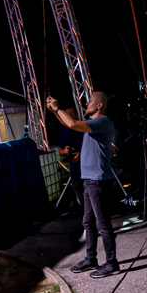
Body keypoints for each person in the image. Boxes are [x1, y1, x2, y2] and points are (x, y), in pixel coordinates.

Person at [46, 92, 119, 278]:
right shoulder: (92, 124)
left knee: (103, 223)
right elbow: (68, 124)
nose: (87, 104)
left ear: (99, 105)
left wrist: (57, 108)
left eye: (90, 101)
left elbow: (72, 124)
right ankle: (91, 259)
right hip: (89, 179)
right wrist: (54, 112)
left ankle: (112, 263)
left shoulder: (102, 122)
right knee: (88, 222)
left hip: (98, 180)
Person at [57, 106, 85, 210]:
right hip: (75, 170)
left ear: (76, 115)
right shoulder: (64, 133)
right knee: (80, 196)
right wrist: (65, 151)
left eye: (70, 115)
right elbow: (60, 151)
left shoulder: (83, 129)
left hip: (87, 169)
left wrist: (81, 154)